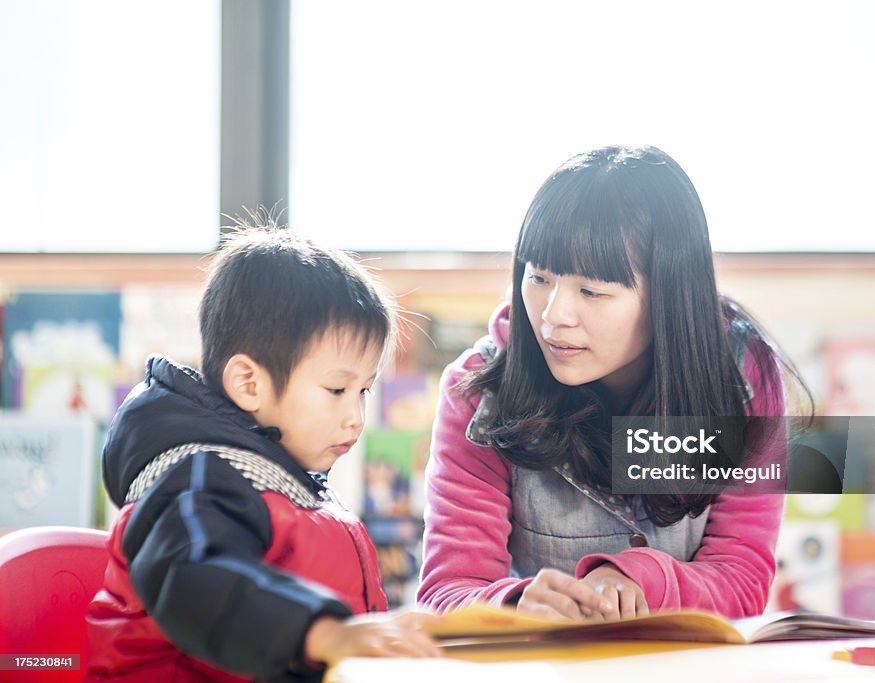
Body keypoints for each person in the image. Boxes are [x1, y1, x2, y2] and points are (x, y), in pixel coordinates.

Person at [418, 145, 796, 621]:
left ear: (668, 293)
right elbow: (448, 590)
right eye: (538, 278)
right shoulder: (480, 392)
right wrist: (514, 604)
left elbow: (742, 580)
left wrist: (638, 578)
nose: (554, 316)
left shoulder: (742, 379)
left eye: (592, 291)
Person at [86, 227, 439, 683]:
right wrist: (325, 633)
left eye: (363, 390)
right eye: (336, 389)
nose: (355, 416)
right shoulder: (194, 480)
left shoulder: (289, 482)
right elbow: (198, 576)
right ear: (249, 383)